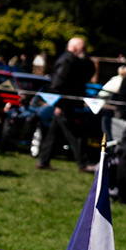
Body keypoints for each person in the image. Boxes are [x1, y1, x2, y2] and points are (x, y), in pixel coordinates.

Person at [37, 34, 96, 170]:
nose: (84, 51)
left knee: (54, 133)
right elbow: (57, 84)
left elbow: (89, 71)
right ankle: (83, 164)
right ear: (75, 48)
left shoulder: (73, 61)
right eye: (83, 48)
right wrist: (58, 104)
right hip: (64, 104)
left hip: (65, 103)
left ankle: (43, 161)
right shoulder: (67, 61)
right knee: (75, 133)